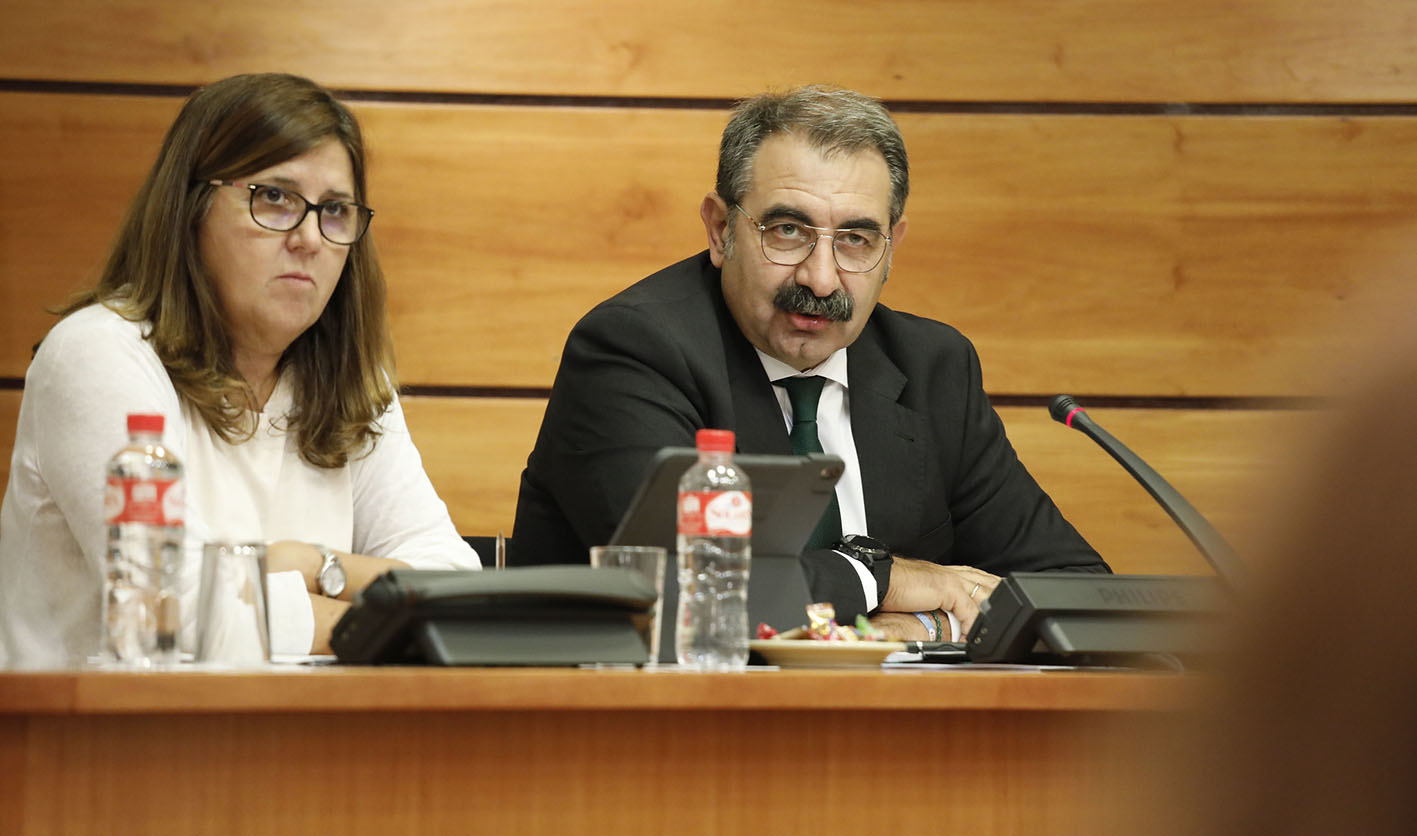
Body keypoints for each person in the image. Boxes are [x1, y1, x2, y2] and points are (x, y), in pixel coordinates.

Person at [512, 85, 1107, 640]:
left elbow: (1077, 593)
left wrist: (932, 628)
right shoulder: (635, 349)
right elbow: (686, 591)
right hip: (649, 739)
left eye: (855, 239)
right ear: (721, 231)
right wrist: (882, 577)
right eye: (788, 230)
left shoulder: (932, 368)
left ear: (891, 247)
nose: (821, 279)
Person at [0, 73, 477, 668]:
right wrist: (380, 620)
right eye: (274, 197)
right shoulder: (99, 354)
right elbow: (181, 608)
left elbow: (453, 582)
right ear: (190, 209)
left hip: (292, 748)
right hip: (97, 753)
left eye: (334, 210)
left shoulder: (352, 385)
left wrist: (313, 566)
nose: (308, 237)